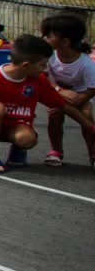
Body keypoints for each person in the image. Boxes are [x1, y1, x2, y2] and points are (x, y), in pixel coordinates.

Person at [0, 35, 94, 172]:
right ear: (26, 65)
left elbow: (61, 104)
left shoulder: (39, 80)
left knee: (27, 139)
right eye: (42, 65)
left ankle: (18, 150)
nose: (44, 70)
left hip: (17, 127)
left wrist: (89, 126)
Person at [40, 14, 95, 167]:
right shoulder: (49, 56)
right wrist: (58, 90)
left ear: (65, 42)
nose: (45, 39)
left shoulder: (86, 63)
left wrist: (81, 98)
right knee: (55, 113)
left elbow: (92, 88)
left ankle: (93, 151)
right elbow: (42, 77)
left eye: (49, 36)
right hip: (57, 92)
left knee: (87, 114)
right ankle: (56, 151)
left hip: (82, 94)